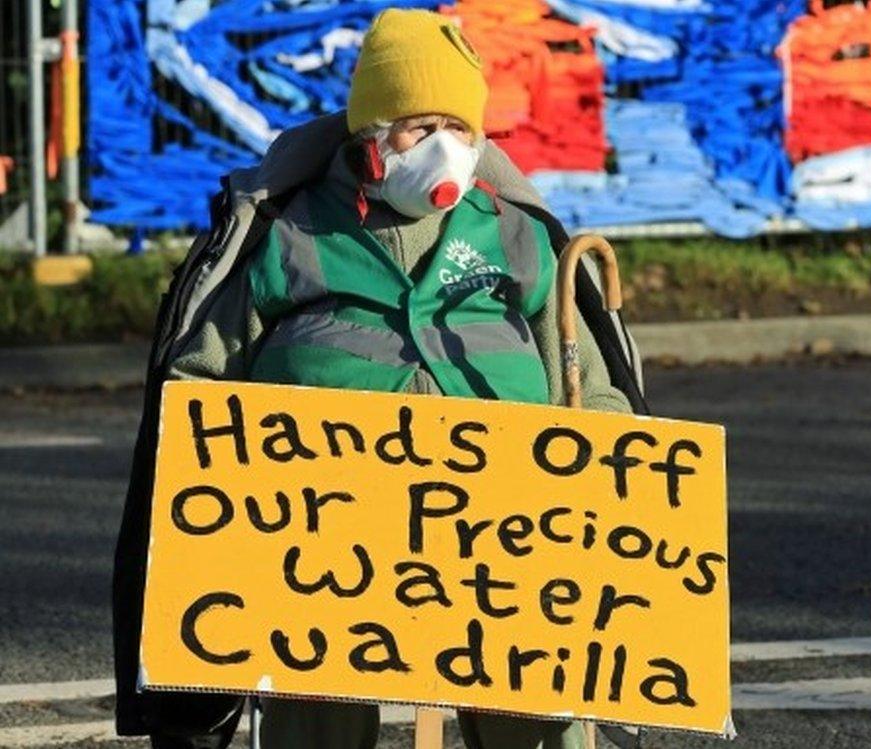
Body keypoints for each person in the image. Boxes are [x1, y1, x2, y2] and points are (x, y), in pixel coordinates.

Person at [115, 8, 643, 749]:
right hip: (321, 543)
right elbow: (202, 383)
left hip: (509, 537)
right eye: (419, 127)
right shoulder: (289, 232)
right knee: (315, 707)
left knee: (541, 709)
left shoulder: (521, 238)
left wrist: (613, 474)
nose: (444, 149)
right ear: (370, 135)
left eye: (460, 129)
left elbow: (593, 385)